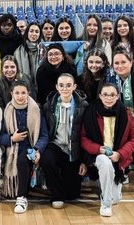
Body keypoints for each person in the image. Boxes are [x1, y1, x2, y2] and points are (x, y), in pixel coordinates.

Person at [81, 83, 134, 217]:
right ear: (100, 96)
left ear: (117, 96)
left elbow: (132, 139)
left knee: (116, 199)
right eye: (105, 94)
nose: (108, 98)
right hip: (98, 154)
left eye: (112, 95)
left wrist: (120, 154)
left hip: (118, 157)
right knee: (105, 163)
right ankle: (105, 204)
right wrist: (99, 149)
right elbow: (83, 138)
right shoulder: (91, 112)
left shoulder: (127, 114)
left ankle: (108, 189)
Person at [0, 80, 48, 213]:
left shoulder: (36, 110)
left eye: (23, 93)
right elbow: (0, 136)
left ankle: (21, 197)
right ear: (11, 94)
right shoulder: (6, 111)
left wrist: (37, 149)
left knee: (23, 158)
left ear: (28, 93)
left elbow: (44, 135)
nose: (20, 96)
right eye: (17, 93)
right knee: (18, 158)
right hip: (11, 150)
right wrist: (11, 138)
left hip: (31, 148)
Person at [41, 73, 88, 209]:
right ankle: (56, 195)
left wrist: (84, 161)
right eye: (61, 85)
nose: (65, 88)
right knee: (46, 159)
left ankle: (63, 189)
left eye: (68, 85)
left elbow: (87, 135)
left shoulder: (83, 106)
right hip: (55, 145)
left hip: (73, 149)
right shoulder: (49, 105)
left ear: (74, 87)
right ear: (57, 87)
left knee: (72, 195)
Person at [14, 22, 42, 89]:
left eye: (37, 32)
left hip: (42, 86)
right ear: (27, 33)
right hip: (24, 88)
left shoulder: (44, 50)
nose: (34, 34)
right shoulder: (18, 51)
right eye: (31, 31)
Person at [112, 47, 134, 114]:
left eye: (123, 62)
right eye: (116, 63)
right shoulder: (111, 81)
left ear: (131, 62)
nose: (120, 66)